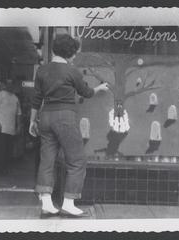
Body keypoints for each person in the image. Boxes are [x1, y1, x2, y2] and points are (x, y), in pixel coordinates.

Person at [29, 34, 109, 218]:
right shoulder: (72, 71)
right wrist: (99, 88)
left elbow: (36, 99)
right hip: (64, 117)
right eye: (74, 53)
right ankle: (69, 203)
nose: (74, 56)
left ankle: (47, 204)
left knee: (47, 159)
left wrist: (32, 121)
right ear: (70, 52)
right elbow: (86, 92)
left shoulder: (42, 70)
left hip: (45, 116)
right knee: (77, 160)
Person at [0, 78, 22, 174]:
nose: (10, 86)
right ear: (5, 85)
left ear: (13, 86)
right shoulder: (0, 95)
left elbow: (19, 113)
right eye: (8, 84)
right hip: (1, 128)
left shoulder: (15, 98)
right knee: (0, 150)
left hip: (11, 129)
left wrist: (18, 126)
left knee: (8, 150)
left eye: (11, 84)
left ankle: (4, 168)